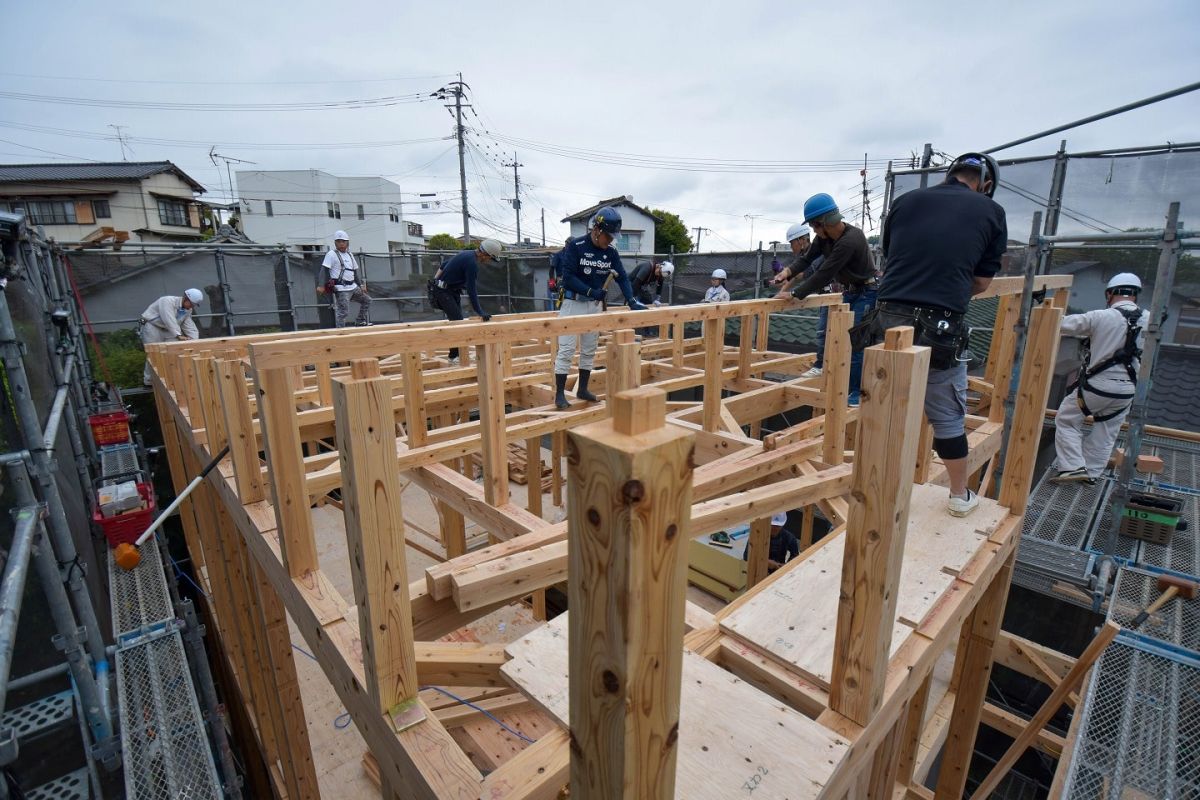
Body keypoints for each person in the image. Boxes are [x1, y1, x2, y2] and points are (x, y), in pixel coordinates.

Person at [870, 152, 1007, 516]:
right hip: (939, 323)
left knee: (884, 400)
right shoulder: (990, 211)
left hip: (886, 317)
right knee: (946, 412)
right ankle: (959, 497)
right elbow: (980, 280)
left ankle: (872, 480)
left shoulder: (905, 201)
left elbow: (893, 256)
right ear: (986, 184)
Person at [771, 194, 877, 403]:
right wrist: (787, 272)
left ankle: (855, 394)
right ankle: (829, 372)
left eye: (813, 226)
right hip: (850, 291)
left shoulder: (850, 240)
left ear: (824, 223)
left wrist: (795, 294)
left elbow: (824, 274)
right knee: (836, 337)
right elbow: (807, 258)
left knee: (856, 342)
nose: (813, 231)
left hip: (867, 292)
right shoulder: (824, 238)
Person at [1050, 273, 1149, 484]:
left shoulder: (1101, 317)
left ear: (1110, 293)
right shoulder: (1151, 319)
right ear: (1135, 295)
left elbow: (1058, 324)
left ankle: (1073, 467)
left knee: (1067, 419)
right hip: (1127, 392)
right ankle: (1092, 473)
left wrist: (1040, 306)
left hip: (1097, 387)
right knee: (1106, 432)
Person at [554, 206, 647, 410]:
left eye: (613, 236)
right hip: (573, 304)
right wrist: (590, 291)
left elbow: (622, 277)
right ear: (596, 229)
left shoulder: (611, 253)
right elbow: (567, 278)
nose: (611, 240)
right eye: (608, 236)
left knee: (589, 348)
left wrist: (631, 300)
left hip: (593, 306)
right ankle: (559, 394)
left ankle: (583, 389)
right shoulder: (576, 246)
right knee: (567, 349)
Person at [431, 238, 502, 364]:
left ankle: (455, 355)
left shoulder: (466, 254)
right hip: (444, 292)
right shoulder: (472, 264)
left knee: (457, 321)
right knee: (457, 322)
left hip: (450, 291)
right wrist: (479, 311)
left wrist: (435, 281)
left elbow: (444, 265)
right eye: (490, 258)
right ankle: (453, 357)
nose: (488, 261)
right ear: (485, 254)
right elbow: (471, 290)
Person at [140, 288, 203, 385]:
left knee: (173, 352)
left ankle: (171, 379)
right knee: (153, 353)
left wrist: (194, 341)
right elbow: (168, 318)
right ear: (186, 298)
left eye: (194, 305)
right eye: (191, 304)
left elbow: (188, 324)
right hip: (153, 327)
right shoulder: (167, 301)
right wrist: (178, 335)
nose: (192, 306)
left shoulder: (187, 310)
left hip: (169, 330)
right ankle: (148, 381)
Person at [318, 230, 371, 328]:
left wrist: (361, 286)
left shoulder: (349, 255)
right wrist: (321, 285)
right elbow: (324, 270)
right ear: (335, 243)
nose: (341, 244)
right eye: (338, 241)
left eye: (343, 241)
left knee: (367, 300)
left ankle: (360, 321)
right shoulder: (331, 254)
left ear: (347, 242)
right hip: (341, 288)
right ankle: (340, 331)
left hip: (353, 286)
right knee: (343, 311)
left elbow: (354, 272)